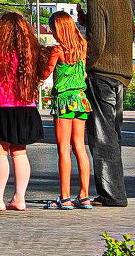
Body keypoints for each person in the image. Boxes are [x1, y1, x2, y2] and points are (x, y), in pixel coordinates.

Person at [0, 11, 45, 213]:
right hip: (26, 108)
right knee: (19, 152)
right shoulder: (30, 54)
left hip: (3, 108)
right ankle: (19, 198)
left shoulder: (1, 54)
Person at [79, 0, 134, 208]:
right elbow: (127, 31)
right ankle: (117, 191)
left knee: (101, 135)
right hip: (123, 73)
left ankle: (111, 195)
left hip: (102, 73)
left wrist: (86, 66)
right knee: (114, 133)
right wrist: (88, 22)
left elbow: (98, 42)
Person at [40, 11, 93, 210]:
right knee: (80, 147)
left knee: (63, 149)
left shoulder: (57, 50)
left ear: (57, 29)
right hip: (80, 98)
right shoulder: (82, 47)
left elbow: (45, 73)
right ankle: (85, 195)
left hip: (63, 100)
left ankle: (65, 197)